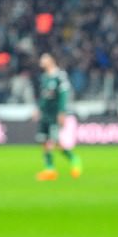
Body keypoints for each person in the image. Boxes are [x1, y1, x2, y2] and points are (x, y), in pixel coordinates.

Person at [33, 52, 82, 181]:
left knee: (54, 142)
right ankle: (50, 169)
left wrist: (62, 112)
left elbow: (64, 95)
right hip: (45, 114)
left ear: (51, 60)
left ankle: (73, 159)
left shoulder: (60, 76)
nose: (41, 61)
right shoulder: (44, 77)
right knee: (44, 141)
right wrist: (38, 109)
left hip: (55, 114)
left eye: (44, 59)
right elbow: (43, 97)